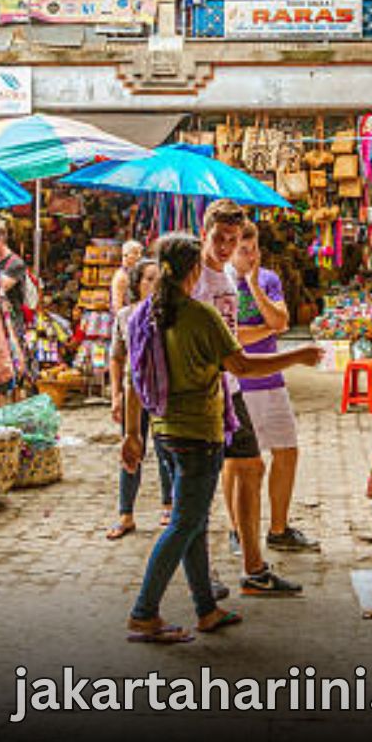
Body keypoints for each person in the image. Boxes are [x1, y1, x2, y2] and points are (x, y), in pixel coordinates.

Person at [122, 233, 323, 643]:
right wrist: (298, 355)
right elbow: (242, 367)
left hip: (163, 433)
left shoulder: (143, 313)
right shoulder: (200, 315)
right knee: (183, 524)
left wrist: (130, 434)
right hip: (198, 432)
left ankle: (206, 609)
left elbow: (132, 378)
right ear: (194, 270)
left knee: (193, 522)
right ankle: (144, 612)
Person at [196, 199, 301, 595]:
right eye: (221, 238)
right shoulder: (195, 279)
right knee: (202, 486)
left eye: (235, 239)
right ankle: (198, 579)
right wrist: (294, 353)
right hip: (206, 393)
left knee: (252, 467)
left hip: (231, 388)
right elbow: (233, 347)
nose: (228, 247)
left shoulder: (226, 283)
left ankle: (253, 568)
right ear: (204, 234)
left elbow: (263, 330)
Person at [228, 221, 319, 552]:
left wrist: (254, 288)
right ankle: (238, 530)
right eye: (243, 250)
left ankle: (278, 529)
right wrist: (266, 330)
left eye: (254, 250)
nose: (250, 256)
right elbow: (231, 336)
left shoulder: (267, 279)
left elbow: (281, 322)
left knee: (287, 450)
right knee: (237, 461)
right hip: (236, 384)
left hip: (271, 380)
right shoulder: (220, 283)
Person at [107, 255, 173, 540]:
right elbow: (116, 358)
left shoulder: (170, 314)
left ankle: (169, 505)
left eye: (159, 279)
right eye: (149, 279)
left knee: (165, 450)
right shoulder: (125, 316)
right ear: (137, 284)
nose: (154, 284)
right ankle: (126, 514)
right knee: (130, 451)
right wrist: (116, 397)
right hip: (134, 393)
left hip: (163, 393)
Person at [110, 240, 144, 316]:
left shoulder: (132, 273)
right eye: (135, 253)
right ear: (125, 255)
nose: (139, 256)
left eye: (140, 253)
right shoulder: (121, 276)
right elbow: (117, 306)